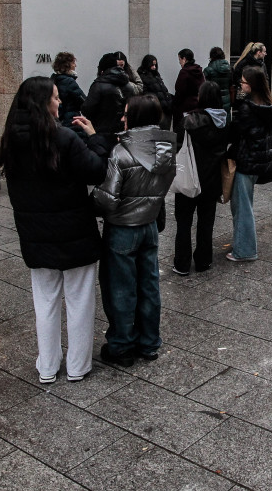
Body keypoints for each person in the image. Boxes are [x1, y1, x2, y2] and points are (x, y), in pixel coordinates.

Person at [0, 77, 111, 383]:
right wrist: (95, 137)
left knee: (45, 302)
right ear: (42, 102)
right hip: (75, 230)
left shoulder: (10, 139)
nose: (60, 102)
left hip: (35, 234)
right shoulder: (64, 138)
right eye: (56, 98)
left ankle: (48, 366)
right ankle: (77, 366)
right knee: (79, 300)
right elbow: (98, 170)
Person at [93, 95, 176, 366]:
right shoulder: (166, 149)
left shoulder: (121, 152)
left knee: (121, 288)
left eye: (126, 113)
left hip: (122, 230)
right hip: (149, 225)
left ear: (137, 117)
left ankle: (121, 345)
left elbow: (107, 198)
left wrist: (90, 199)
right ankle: (149, 343)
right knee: (149, 286)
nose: (122, 118)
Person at [173, 82, 228, 275]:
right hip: (212, 180)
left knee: (183, 222)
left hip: (189, 177)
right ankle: (204, 261)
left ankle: (182, 263)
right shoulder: (223, 122)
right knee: (206, 223)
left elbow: (177, 146)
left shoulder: (189, 120)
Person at [228, 66, 272, 262]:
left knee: (242, 207)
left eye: (243, 81)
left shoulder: (247, 108)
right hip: (259, 161)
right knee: (244, 204)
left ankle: (245, 250)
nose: (240, 85)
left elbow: (236, 133)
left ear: (252, 84)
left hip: (247, 160)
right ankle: (243, 245)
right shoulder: (268, 105)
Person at [83, 52, 130, 137]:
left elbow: (87, 109)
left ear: (102, 69)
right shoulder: (128, 84)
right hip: (124, 131)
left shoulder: (98, 85)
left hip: (102, 131)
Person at [172, 48, 205, 137]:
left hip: (184, 106)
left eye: (179, 59)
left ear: (184, 59)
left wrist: (174, 103)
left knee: (182, 131)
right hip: (197, 104)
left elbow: (179, 90)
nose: (179, 62)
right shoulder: (198, 71)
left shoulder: (184, 72)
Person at [51, 51, 87, 128]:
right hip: (71, 120)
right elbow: (83, 101)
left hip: (60, 119)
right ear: (68, 65)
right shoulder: (69, 81)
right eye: (73, 63)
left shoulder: (54, 79)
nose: (75, 65)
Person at [138, 54, 173, 130]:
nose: (154, 67)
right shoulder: (143, 76)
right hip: (157, 110)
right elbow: (146, 93)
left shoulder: (156, 75)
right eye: (152, 65)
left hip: (165, 109)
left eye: (155, 65)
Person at [204, 46, 232, 118]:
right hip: (226, 99)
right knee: (225, 118)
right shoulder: (229, 69)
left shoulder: (208, 70)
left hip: (213, 99)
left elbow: (204, 86)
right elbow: (231, 84)